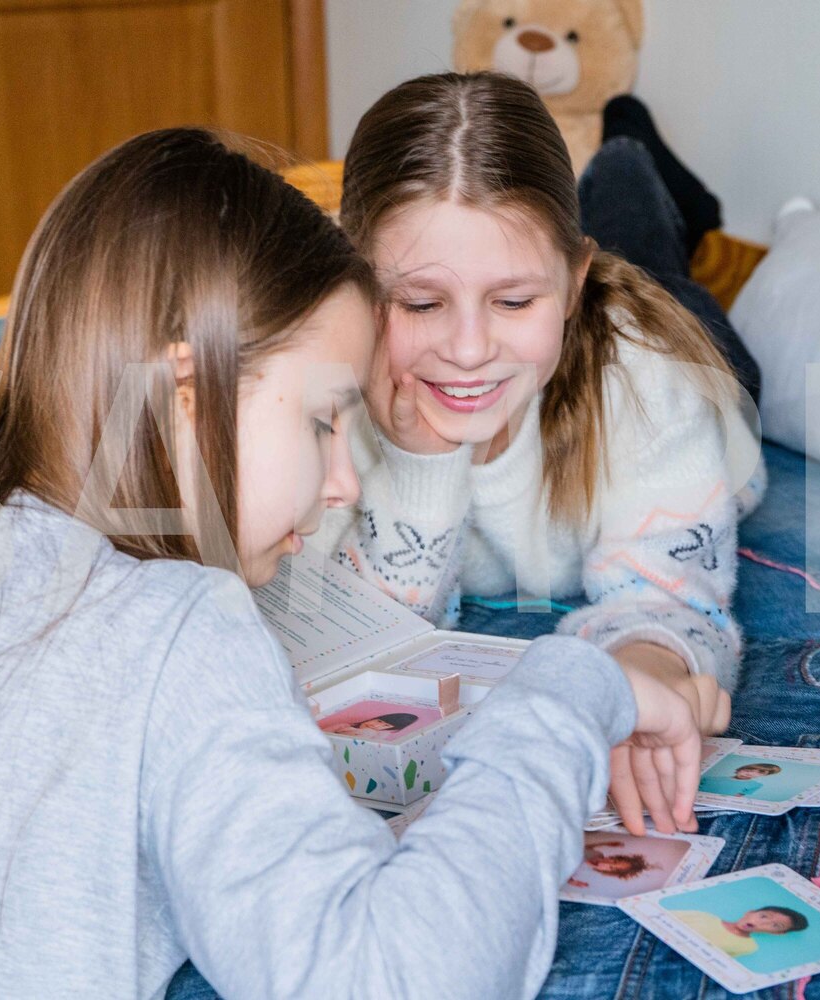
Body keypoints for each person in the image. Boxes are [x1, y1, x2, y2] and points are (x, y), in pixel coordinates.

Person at [0, 127, 705, 1000]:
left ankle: (641, 195)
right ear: (188, 395)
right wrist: (569, 691)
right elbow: (394, 978)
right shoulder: (176, 627)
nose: (345, 483)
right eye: (325, 419)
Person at [323, 72, 764, 837]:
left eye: (515, 301)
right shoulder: (318, 391)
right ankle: (618, 186)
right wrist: (419, 468)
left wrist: (647, 669)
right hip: (565, 315)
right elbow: (358, 650)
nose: (466, 350)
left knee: (665, 276)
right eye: (421, 304)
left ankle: (628, 163)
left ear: (569, 283)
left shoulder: (652, 379)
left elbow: (673, 598)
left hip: (679, 361)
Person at [671, 905, 810, 959]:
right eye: (763, 916)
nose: (763, 923)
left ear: (778, 933)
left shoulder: (748, 947)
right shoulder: (702, 915)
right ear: (749, 913)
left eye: (775, 925)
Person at [565, 838, 656, 887]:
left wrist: (572, 882)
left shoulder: (583, 873)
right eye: (614, 861)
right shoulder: (598, 854)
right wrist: (606, 843)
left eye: (612, 867)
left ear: (609, 872)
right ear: (611, 857)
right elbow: (584, 847)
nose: (607, 864)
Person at [321, 711, 421, 738]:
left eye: (385, 725)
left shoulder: (374, 735)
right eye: (379, 721)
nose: (376, 726)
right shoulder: (343, 726)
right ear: (374, 718)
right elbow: (320, 736)